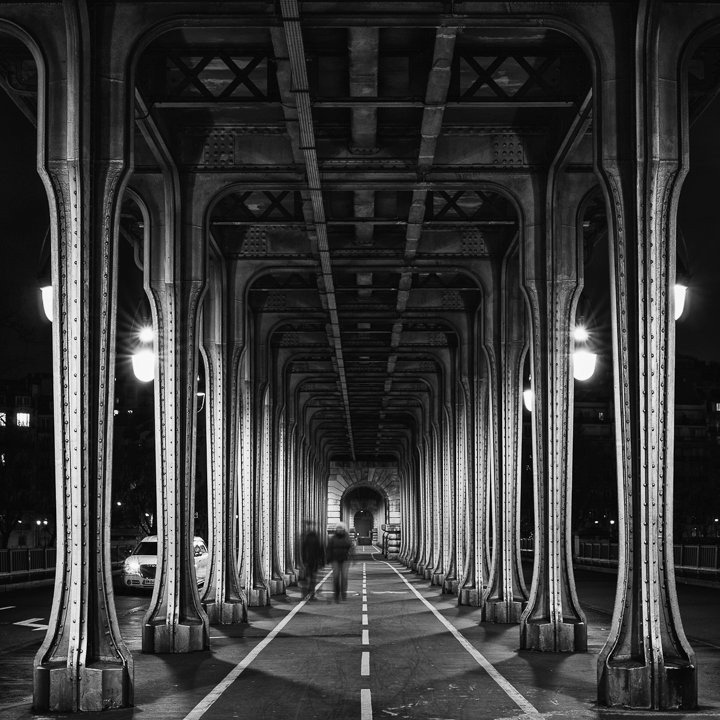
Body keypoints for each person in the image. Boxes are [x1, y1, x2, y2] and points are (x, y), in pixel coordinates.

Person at [326, 522, 353, 602]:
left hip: (345, 560)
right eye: (338, 528)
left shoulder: (347, 538)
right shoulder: (333, 538)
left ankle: (343, 594)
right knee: (336, 577)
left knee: (344, 577)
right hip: (335, 560)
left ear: (344, 529)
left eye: (341, 528)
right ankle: (336, 594)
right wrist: (328, 558)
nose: (339, 530)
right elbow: (329, 549)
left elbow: (351, 548)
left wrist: (351, 556)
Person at [300, 521, 324, 599]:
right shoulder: (311, 537)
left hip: (312, 560)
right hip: (310, 560)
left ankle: (309, 593)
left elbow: (320, 549)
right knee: (310, 577)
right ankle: (310, 593)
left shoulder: (307, 537)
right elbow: (321, 549)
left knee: (310, 577)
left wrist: (321, 560)